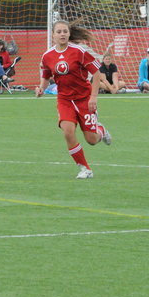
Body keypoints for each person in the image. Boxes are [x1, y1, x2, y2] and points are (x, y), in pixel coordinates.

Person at [35, 21, 112, 179]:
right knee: (68, 132)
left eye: (65, 31)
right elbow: (46, 76)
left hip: (84, 99)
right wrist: (41, 88)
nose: (62, 34)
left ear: (69, 34)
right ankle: (84, 169)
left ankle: (101, 131)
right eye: (59, 32)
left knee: (91, 140)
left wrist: (93, 97)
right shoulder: (47, 56)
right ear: (53, 35)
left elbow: (96, 72)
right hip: (64, 100)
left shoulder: (79, 51)